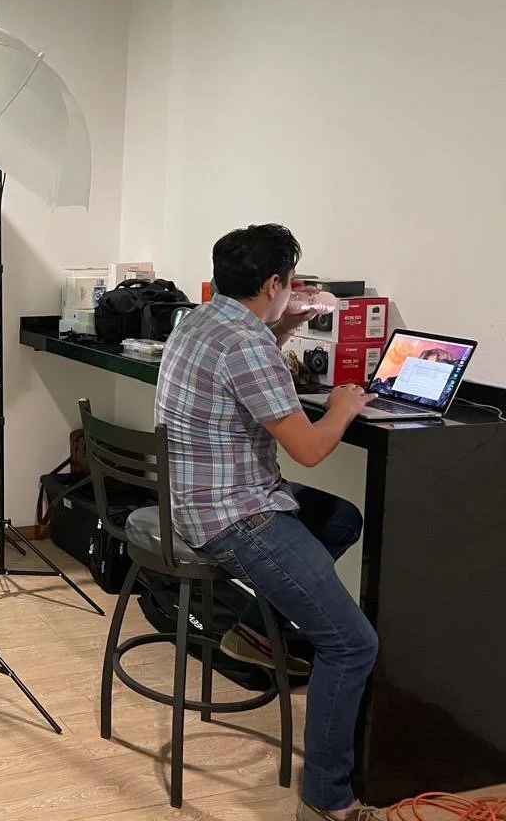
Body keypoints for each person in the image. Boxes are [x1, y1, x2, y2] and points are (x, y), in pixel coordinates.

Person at [154, 224, 380, 821]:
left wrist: (288, 320)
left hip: (192, 499)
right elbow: (308, 450)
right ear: (275, 282)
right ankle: (328, 802)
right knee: (352, 644)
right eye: (289, 285)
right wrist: (343, 407)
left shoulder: (200, 319)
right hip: (235, 517)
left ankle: (252, 630)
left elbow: (251, 350)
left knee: (341, 519)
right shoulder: (248, 347)